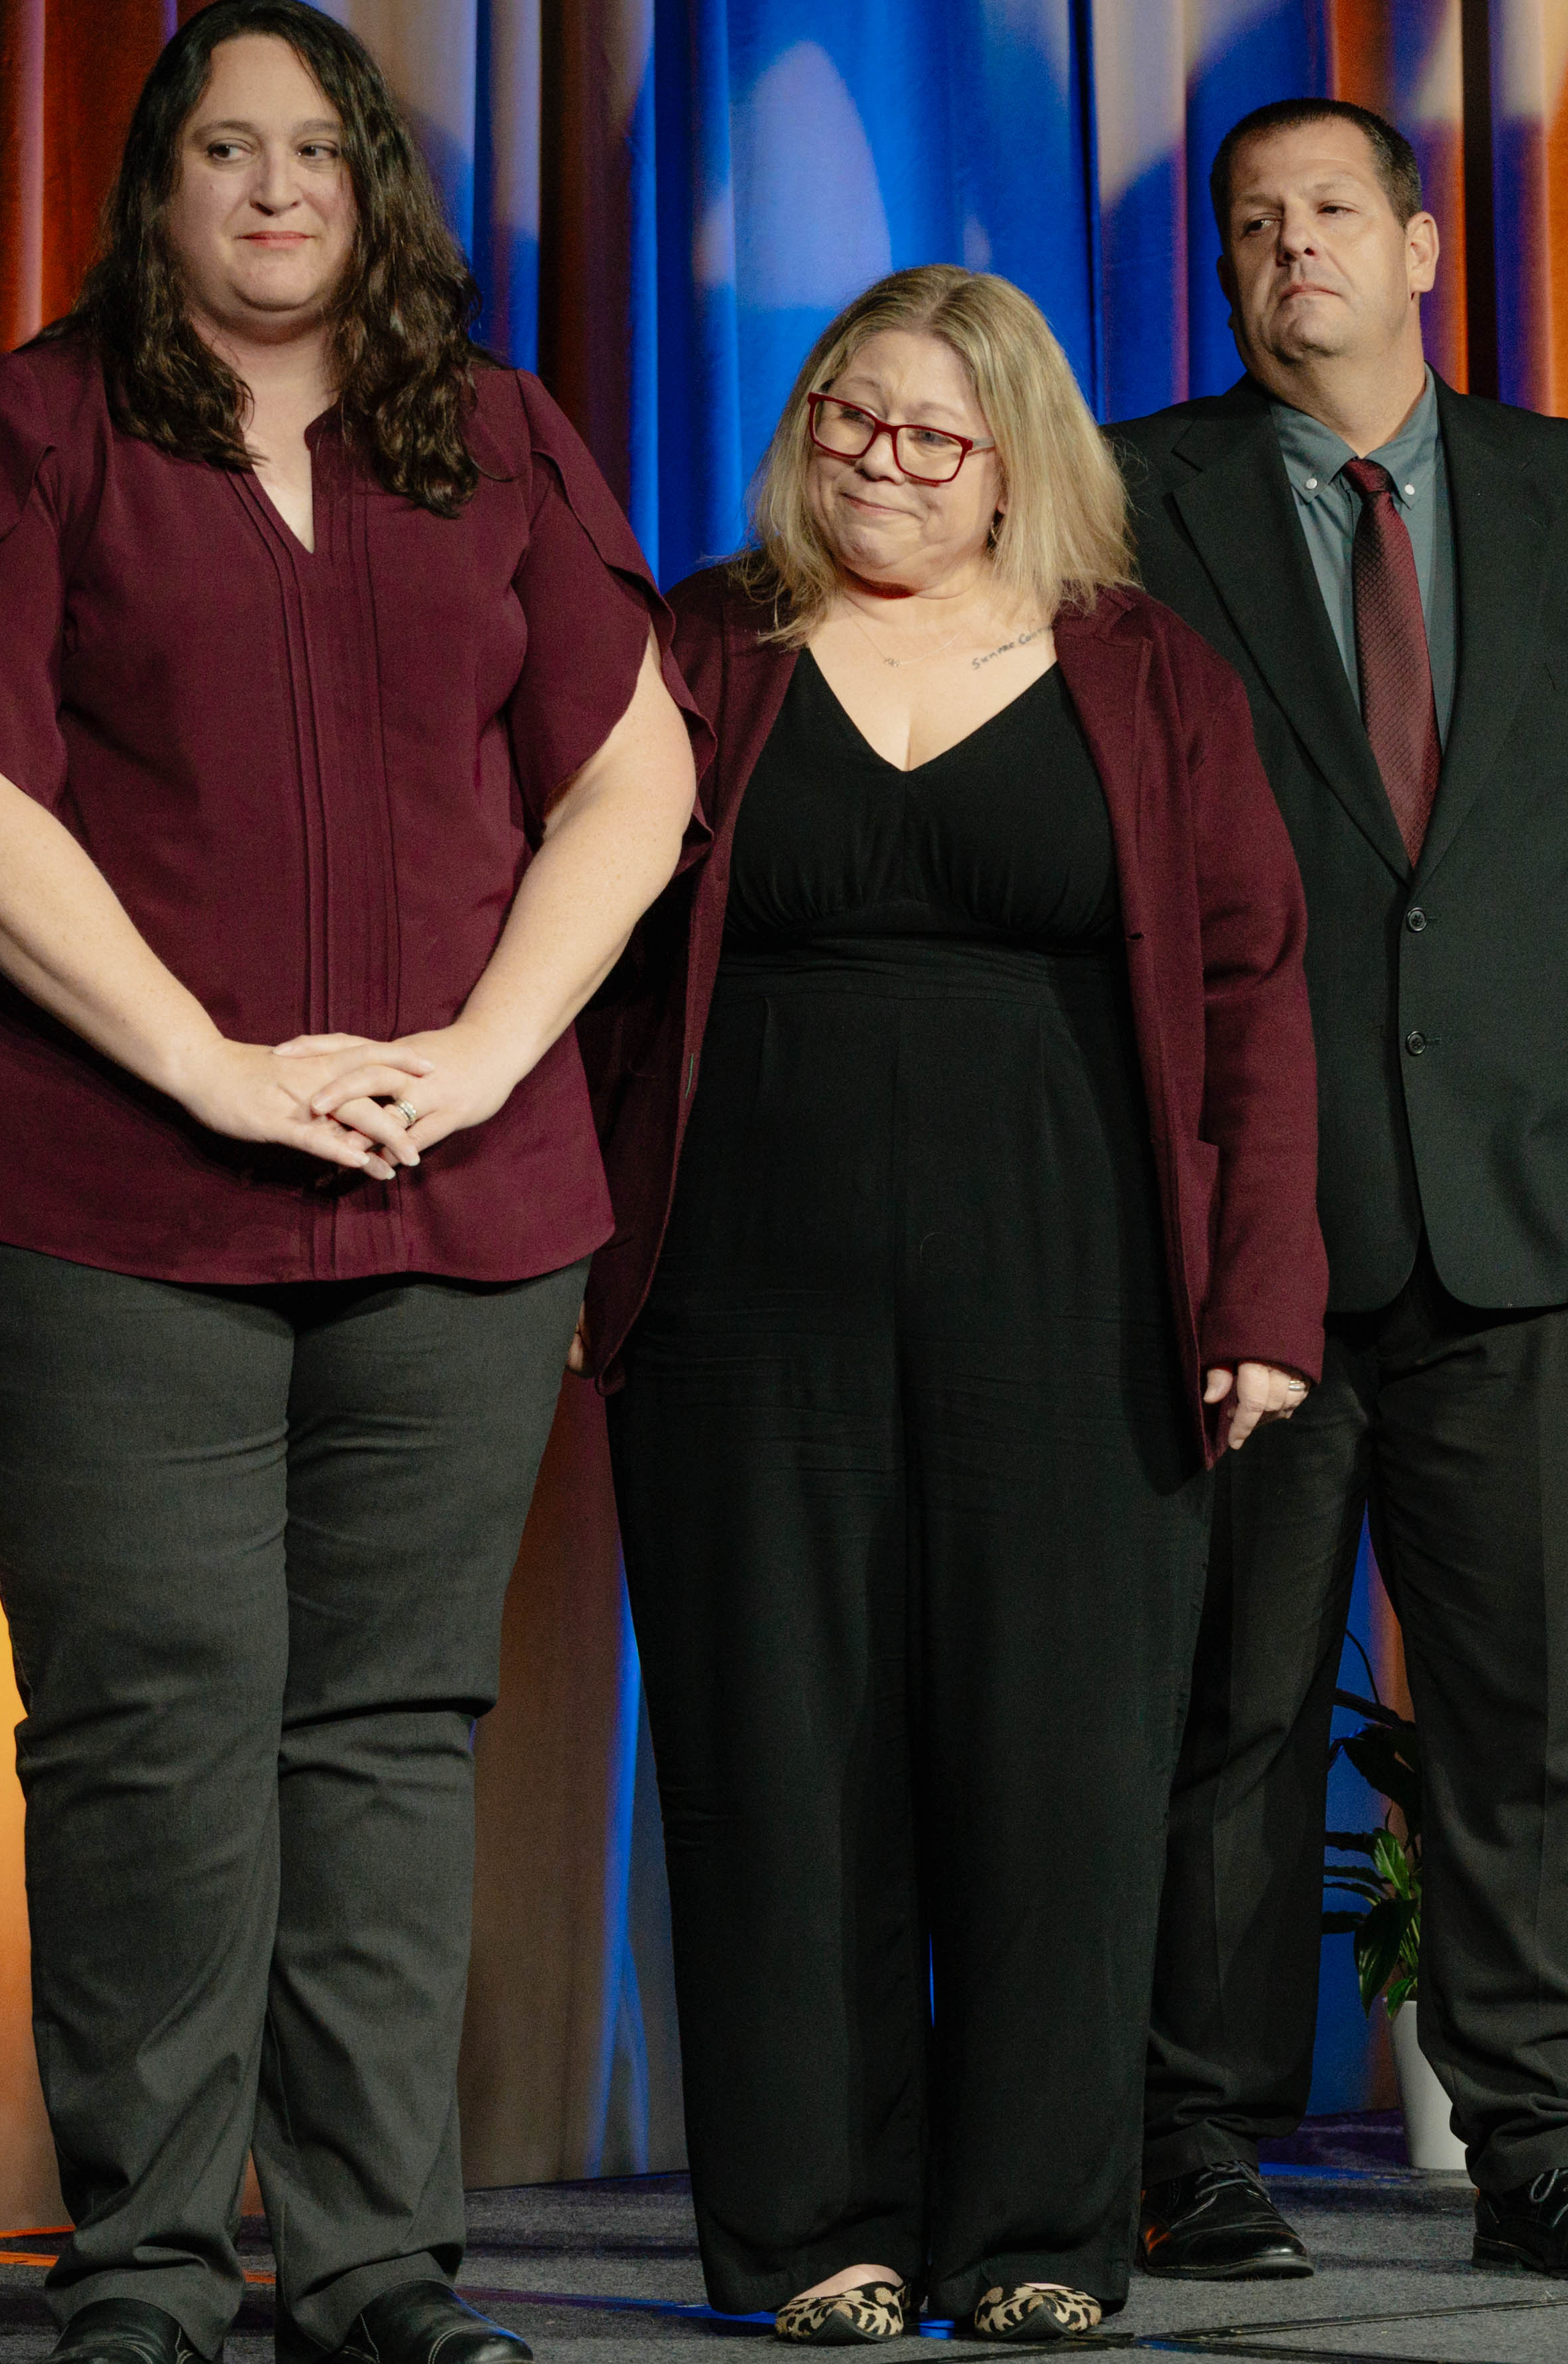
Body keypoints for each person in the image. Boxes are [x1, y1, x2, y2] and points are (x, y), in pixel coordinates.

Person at [0, 0, 699, 2364]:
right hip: (104, 1195)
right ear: (161, 188)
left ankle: (380, 2264)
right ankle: (145, 2268)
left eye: (318, 148)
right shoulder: (36, 426)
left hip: (461, 1194)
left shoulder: (496, 436)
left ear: (375, 184)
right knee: (154, 1724)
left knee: (394, 1733)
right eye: (228, 149)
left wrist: (487, 1054)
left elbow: (629, 775)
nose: (277, 188)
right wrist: (212, 1069)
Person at [575, 267, 1325, 2343]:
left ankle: (1035, 2241)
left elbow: (1259, 990)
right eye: (846, 422)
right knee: (773, 1754)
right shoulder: (700, 647)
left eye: (931, 438)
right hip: (737, 1298)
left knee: (1064, 1767)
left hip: (1077, 1291)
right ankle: (816, 2232)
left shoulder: (1143, 666)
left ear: (1017, 463)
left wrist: (1262, 1283)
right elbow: (585, 956)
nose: (881, 468)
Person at [1111, 99, 1568, 2288]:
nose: (1288, 245)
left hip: (1538, 1208)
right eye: (1249, 222)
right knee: (1230, 1708)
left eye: (1328, 211)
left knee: (1519, 1718)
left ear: (1421, 247)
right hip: (1244, 1232)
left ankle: (1542, 2149)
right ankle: (1183, 2138)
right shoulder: (1127, 498)